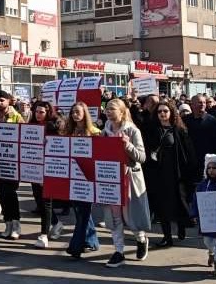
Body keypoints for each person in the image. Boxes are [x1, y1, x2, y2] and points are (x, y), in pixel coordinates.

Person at [101, 98, 151, 268]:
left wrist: (127, 145)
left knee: (131, 217)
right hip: (111, 179)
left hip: (129, 179)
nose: (108, 111)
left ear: (122, 112)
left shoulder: (132, 130)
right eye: (107, 108)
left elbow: (142, 158)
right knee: (115, 218)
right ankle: (118, 251)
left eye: (112, 109)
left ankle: (141, 239)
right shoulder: (105, 131)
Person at [144, 100, 198, 247]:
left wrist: (192, 172)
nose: (162, 114)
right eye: (159, 111)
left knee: (179, 203)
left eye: (165, 111)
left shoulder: (179, 130)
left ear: (171, 113)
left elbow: (189, 153)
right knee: (161, 207)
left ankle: (181, 227)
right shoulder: (153, 130)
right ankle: (167, 236)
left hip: (177, 174)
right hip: (158, 174)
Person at [61, 101, 101, 260]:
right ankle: (92, 242)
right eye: (72, 112)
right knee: (80, 211)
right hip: (72, 177)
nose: (74, 115)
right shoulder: (68, 132)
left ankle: (75, 246)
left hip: (88, 178)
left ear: (85, 113)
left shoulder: (95, 132)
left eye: (77, 112)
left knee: (83, 212)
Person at [28, 100, 61, 248]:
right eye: (36, 112)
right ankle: (56, 223)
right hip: (33, 168)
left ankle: (43, 235)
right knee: (39, 200)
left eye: (41, 112)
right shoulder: (30, 126)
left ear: (48, 113)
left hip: (48, 168)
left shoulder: (53, 128)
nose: (38, 114)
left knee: (46, 201)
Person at [0, 90, 24, 241]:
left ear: (9, 101)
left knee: (11, 194)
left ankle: (16, 224)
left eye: (2, 100)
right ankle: (7, 223)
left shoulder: (17, 117)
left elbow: (24, 136)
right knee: (2, 194)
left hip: (12, 162)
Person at [185, 94, 216, 172]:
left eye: (204, 102)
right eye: (199, 102)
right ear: (192, 104)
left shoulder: (212, 121)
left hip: (207, 161)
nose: (202, 105)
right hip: (190, 161)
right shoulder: (186, 120)